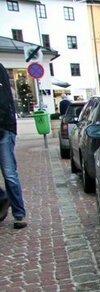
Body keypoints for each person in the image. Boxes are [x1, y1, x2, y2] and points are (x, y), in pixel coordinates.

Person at [0, 63, 26, 229]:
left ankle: (19, 213)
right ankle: (2, 198)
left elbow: (4, 101)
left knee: (9, 173)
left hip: (4, 130)